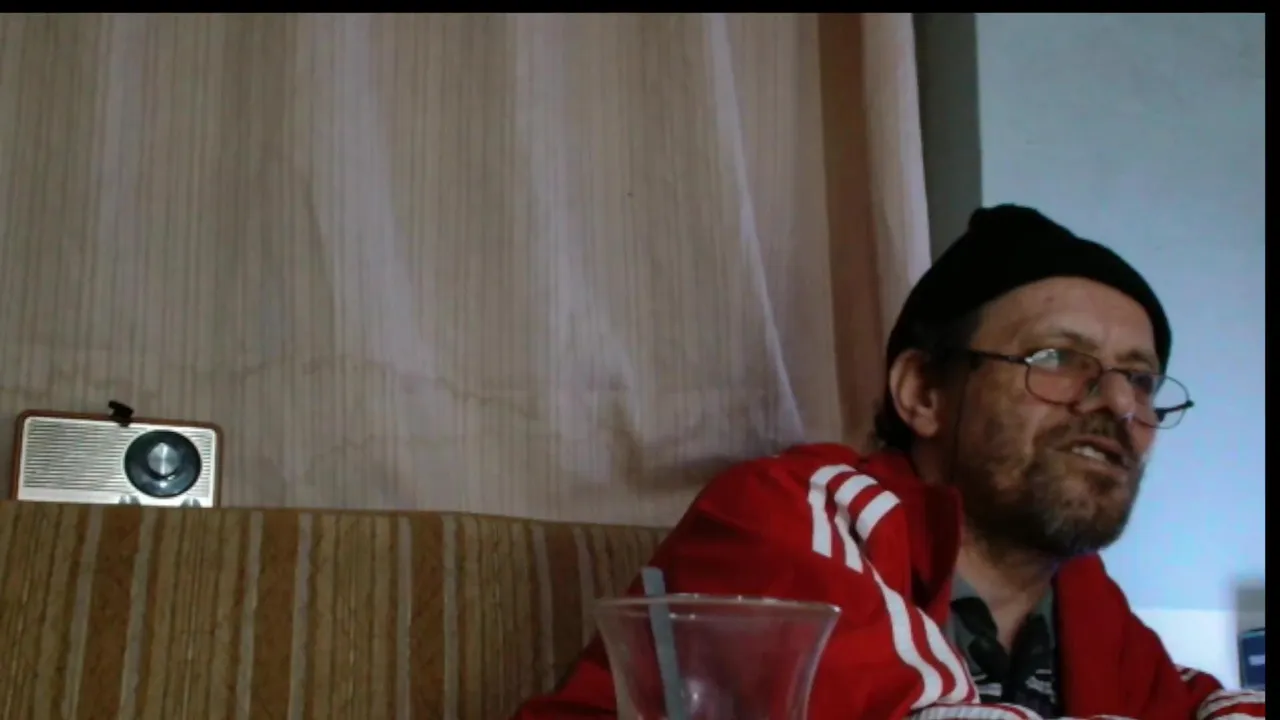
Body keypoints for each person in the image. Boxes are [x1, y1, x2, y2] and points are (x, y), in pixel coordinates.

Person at [512, 205, 1265, 719]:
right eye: (1056, 358)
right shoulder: (788, 510)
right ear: (924, 393)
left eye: (1140, 378)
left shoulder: (1087, 603)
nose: (1117, 402)